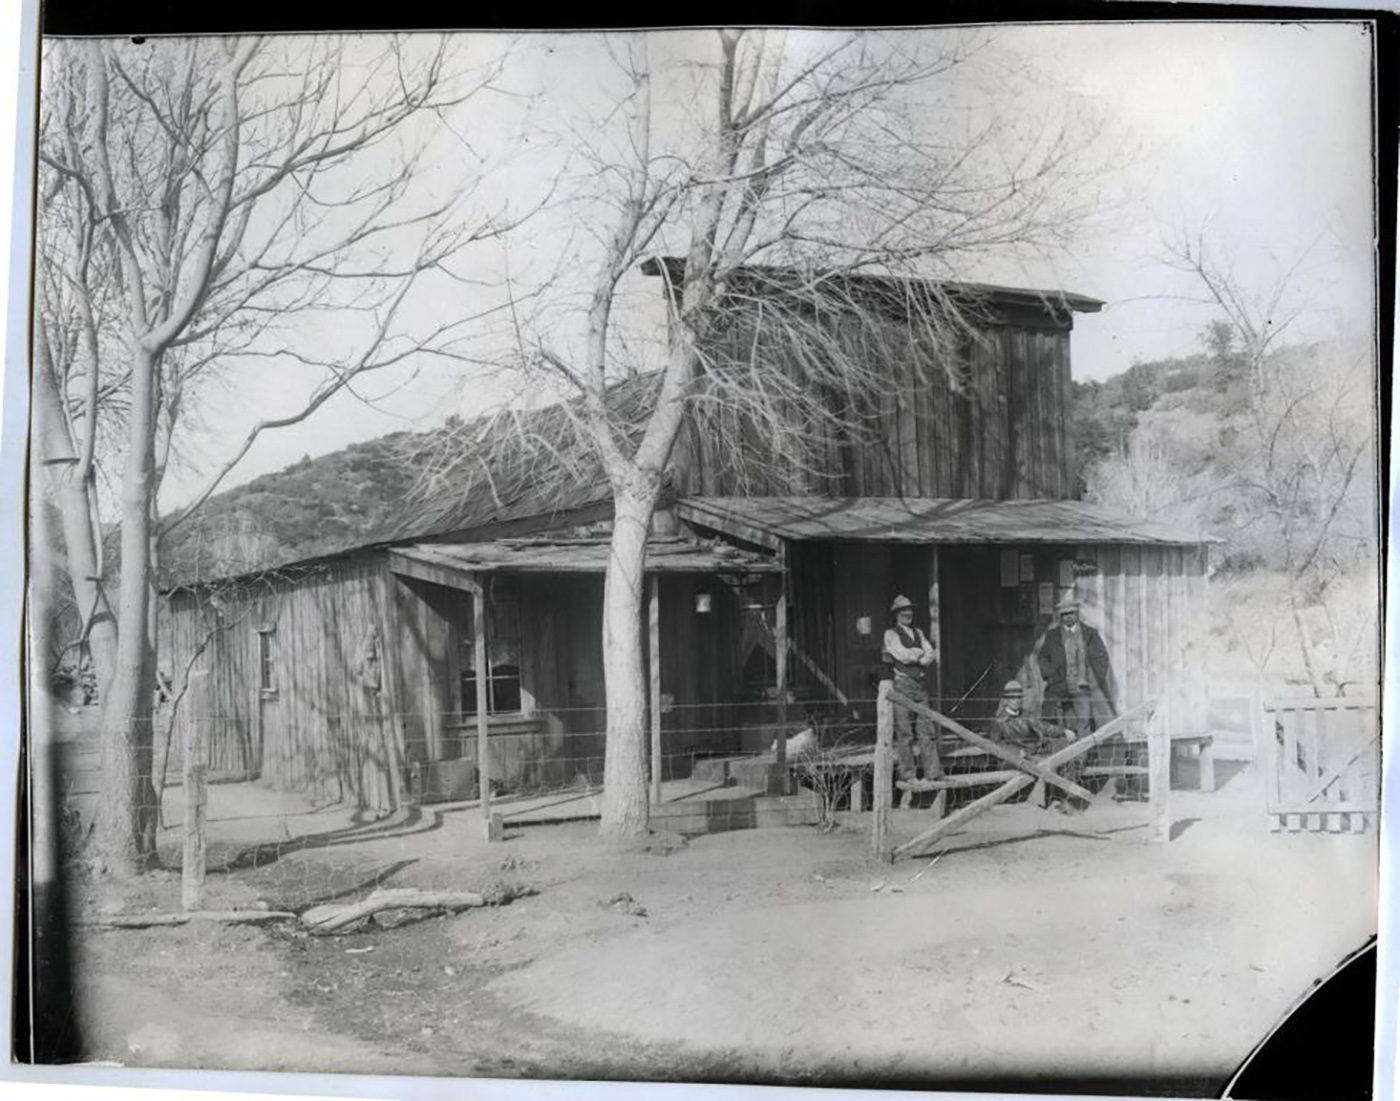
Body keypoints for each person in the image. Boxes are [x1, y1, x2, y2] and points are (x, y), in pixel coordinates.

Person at [990, 678, 1083, 811]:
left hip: (1034, 751)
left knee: (1065, 750)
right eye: (1012, 698)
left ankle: (1067, 796)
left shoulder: (1026, 715)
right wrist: (1016, 751)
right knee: (1044, 764)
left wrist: (1064, 731)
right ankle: (1045, 802)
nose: (1016, 700)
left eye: (1018, 697)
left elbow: (1044, 726)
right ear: (1006, 700)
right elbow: (995, 745)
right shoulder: (999, 721)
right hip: (1014, 759)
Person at [1037, 592, 1117, 738]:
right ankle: (1064, 755)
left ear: (1077, 614)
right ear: (1061, 616)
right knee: (1060, 721)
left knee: (1085, 721)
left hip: (1083, 686)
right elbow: (1043, 657)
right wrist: (1051, 676)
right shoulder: (1053, 635)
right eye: (1065, 614)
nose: (1068, 617)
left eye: (1071, 613)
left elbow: (1102, 656)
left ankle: (1082, 758)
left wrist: (1095, 677)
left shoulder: (1090, 633)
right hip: (1060, 684)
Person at [882, 594, 938, 796]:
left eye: (909, 610)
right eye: (902, 611)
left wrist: (918, 655)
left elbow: (930, 655)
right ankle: (908, 774)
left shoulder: (919, 632)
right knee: (905, 732)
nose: (907, 613)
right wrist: (917, 654)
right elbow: (901, 655)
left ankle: (932, 772)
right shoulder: (890, 633)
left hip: (920, 685)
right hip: (903, 684)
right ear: (896, 614)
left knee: (926, 729)